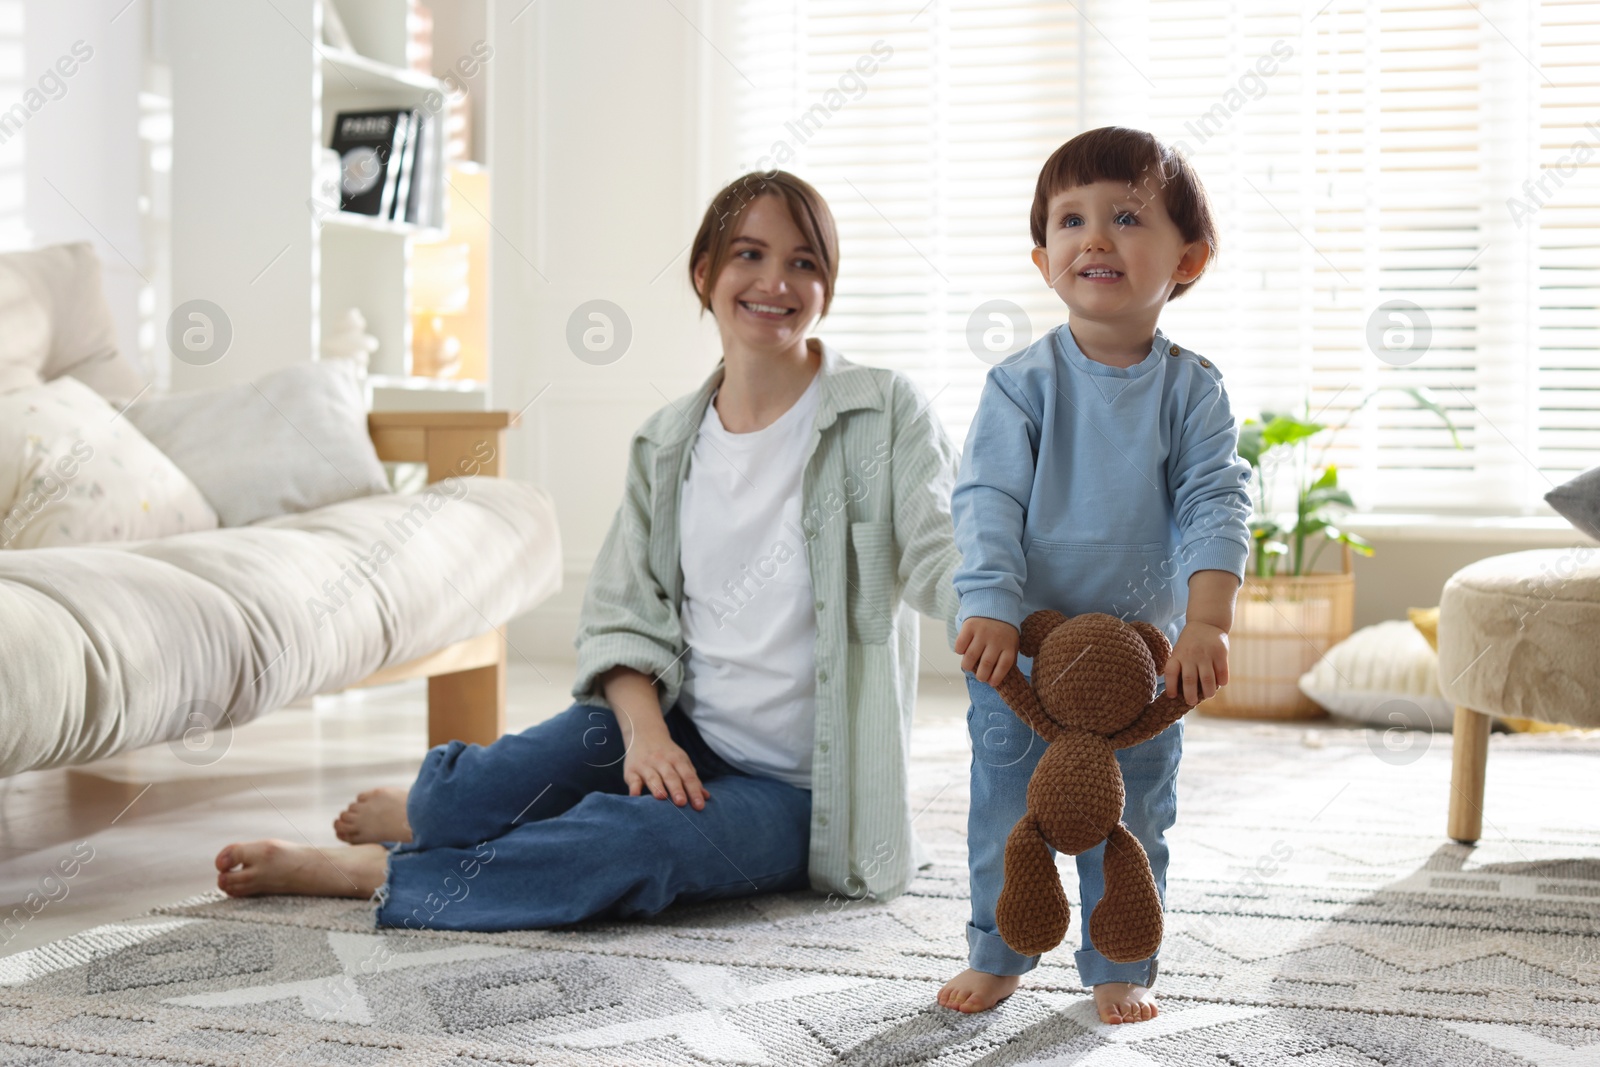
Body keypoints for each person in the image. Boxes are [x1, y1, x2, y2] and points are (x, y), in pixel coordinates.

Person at [213, 170, 964, 931]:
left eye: (804, 262)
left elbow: (946, 549)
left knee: (628, 843)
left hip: (802, 790)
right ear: (705, 274)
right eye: (750, 255)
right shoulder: (666, 443)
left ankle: (379, 871)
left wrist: (1012, 618)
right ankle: (430, 811)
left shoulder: (883, 412)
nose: (776, 281)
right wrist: (647, 734)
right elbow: (622, 614)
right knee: (459, 794)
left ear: (827, 284)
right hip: (682, 724)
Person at [935, 127, 1252, 1023]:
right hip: (1019, 659)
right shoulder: (1020, 384)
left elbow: (1213, 503)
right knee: (1006, 805)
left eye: (1126, 217)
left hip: (1140, 668)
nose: (1096, 238)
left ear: (1186, 257)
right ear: (1043, 259)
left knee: (1136, 811)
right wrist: (991, 606)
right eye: (1071, 220)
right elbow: (987, 499)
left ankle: (1120, 959)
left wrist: (1208, 619)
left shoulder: (1194, 392)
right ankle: (999, 950)